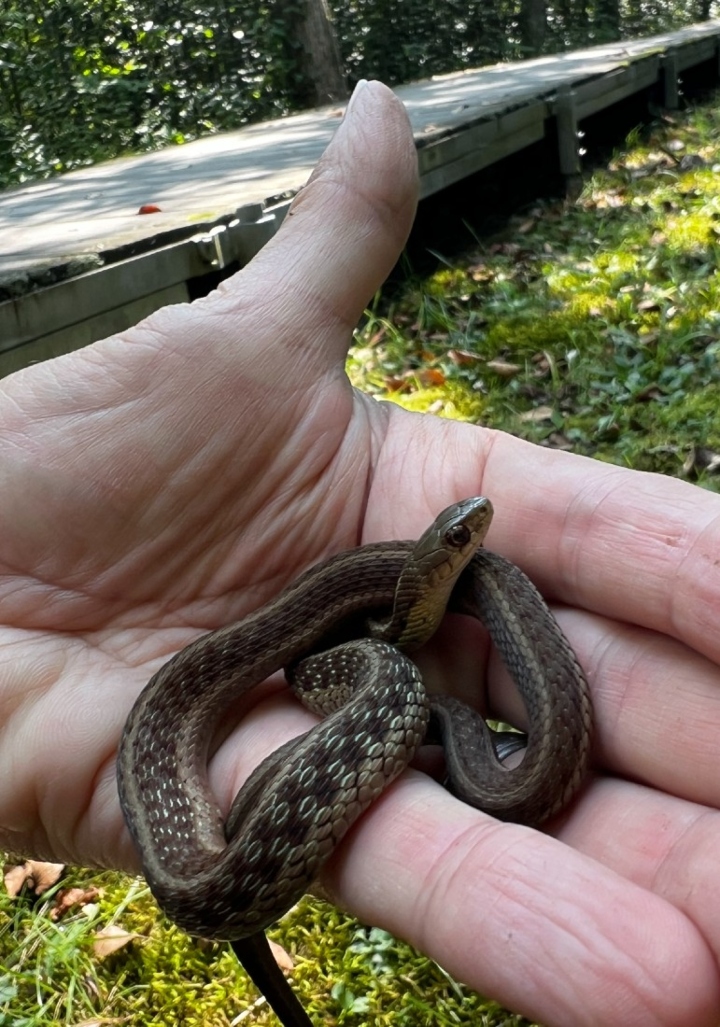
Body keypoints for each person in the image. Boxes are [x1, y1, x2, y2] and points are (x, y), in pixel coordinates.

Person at [1, 79, 719, 1027]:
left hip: (376, 663)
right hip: (320, 704)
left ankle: (483, 756)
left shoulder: (426, 597)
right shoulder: (359, 639)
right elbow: (379, 639)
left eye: (463, 536)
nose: (475, 533)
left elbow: (410, 622)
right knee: (383, 670)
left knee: (398, 675)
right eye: (461, 536)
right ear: (437, 559)